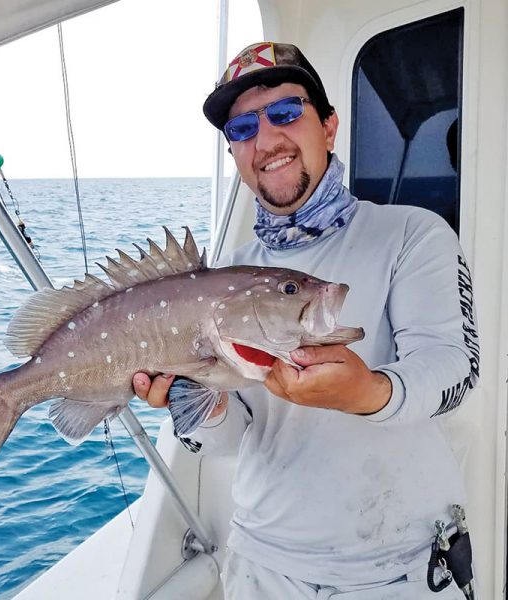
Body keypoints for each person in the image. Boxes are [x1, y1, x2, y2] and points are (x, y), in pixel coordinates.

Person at [133, 42, 479, 599]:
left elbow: (453, 371)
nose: (267, 139)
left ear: (329, 126)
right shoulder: (225, 274)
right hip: (262, 565)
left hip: (402, 568)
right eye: (242, 128)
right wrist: (194, 408)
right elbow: (231, 438)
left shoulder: (413, 234)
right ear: (235, 153)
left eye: (287, 113)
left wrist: (366, 391)